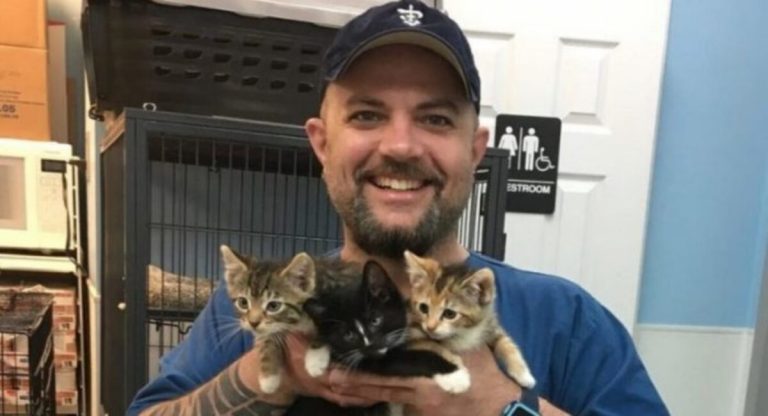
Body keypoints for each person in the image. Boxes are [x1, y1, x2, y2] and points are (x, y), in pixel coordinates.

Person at [128, 1, 669, 415]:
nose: (402, 146)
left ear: (474, 151)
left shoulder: (564, 321)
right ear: (322, 144)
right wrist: (263, 373)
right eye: (366, 115)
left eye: (435, 119)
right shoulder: (249, 308)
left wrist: (496, 403)